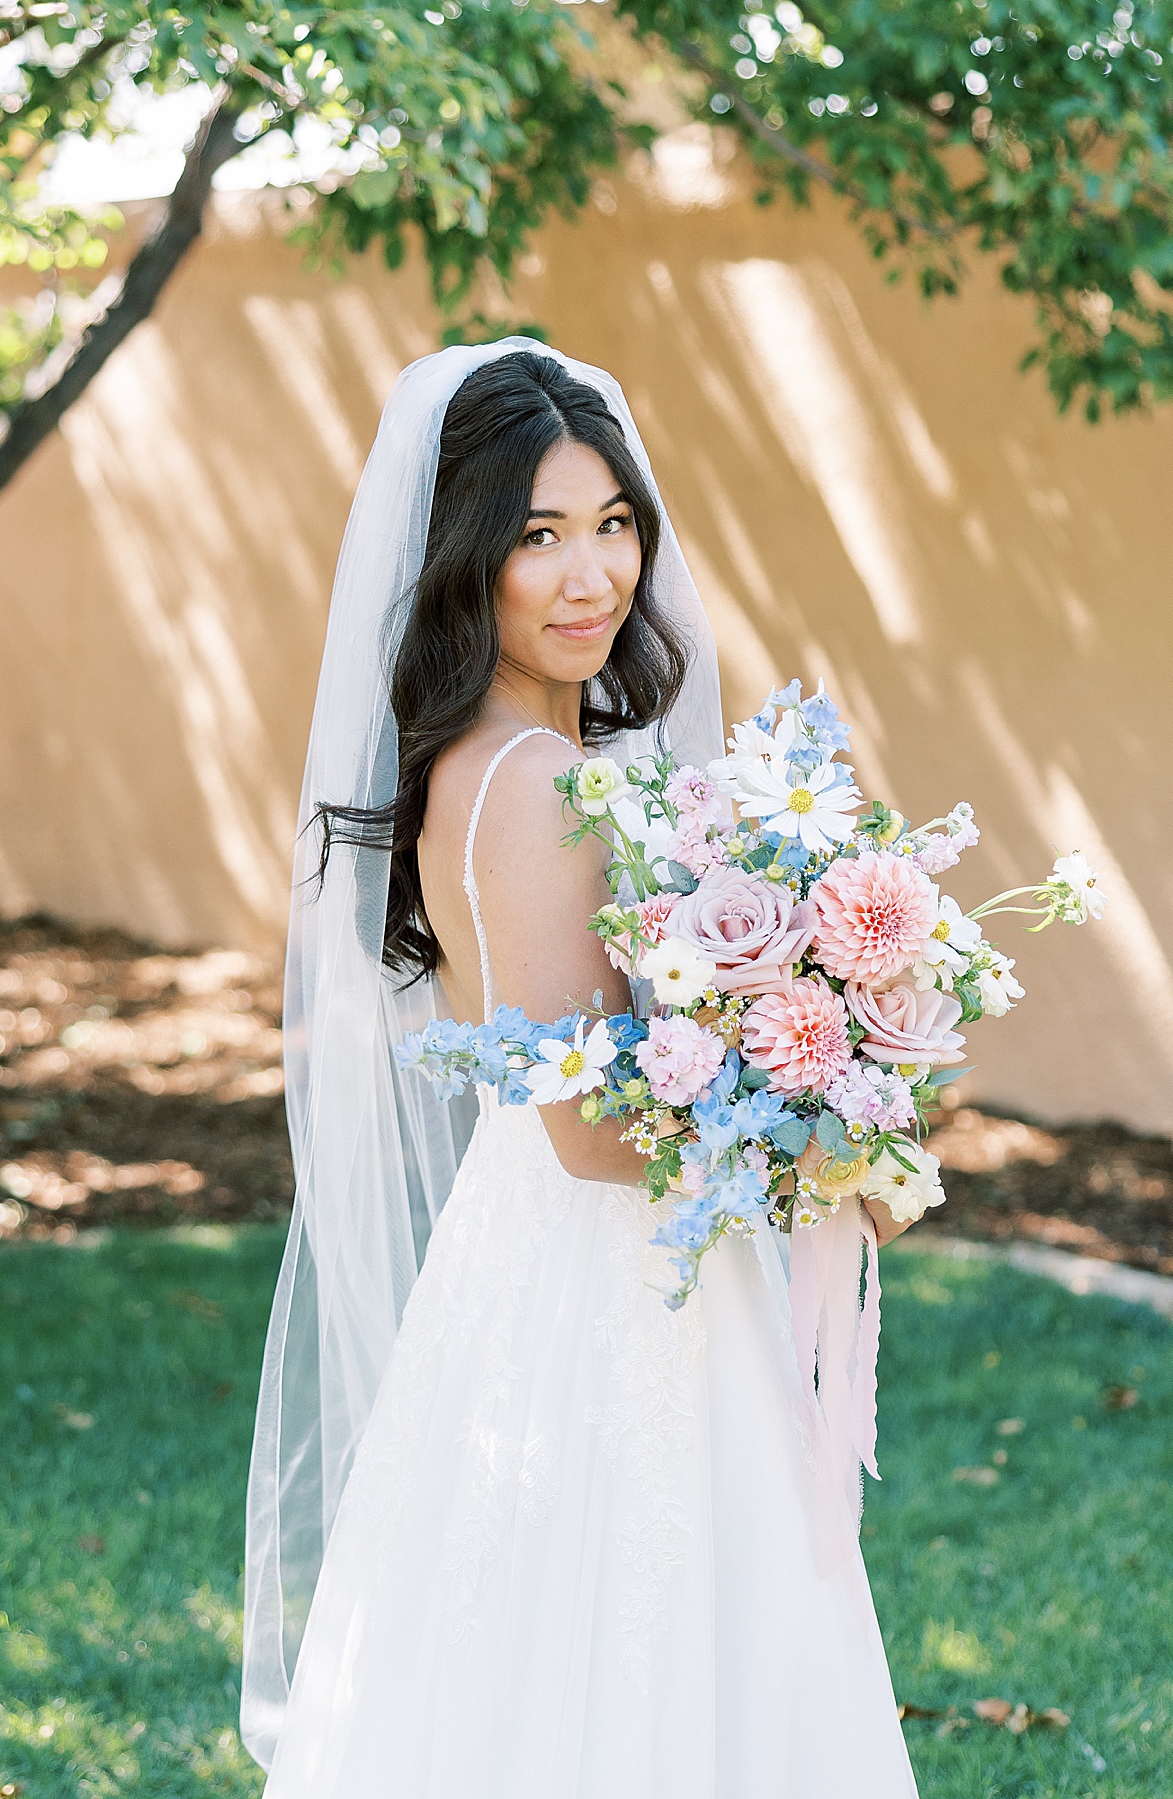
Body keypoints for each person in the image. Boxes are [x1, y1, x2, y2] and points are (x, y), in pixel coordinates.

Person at [241, 342, 919, 1796]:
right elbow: (590, 1135)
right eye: (538, 537)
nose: (591, 574)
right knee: (651, 1646)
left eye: (613, 525)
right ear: (466, 560)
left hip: (541, 1265)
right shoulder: (541, 784)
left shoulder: (500, 759)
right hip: (608, 1282)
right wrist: (823, 1137)